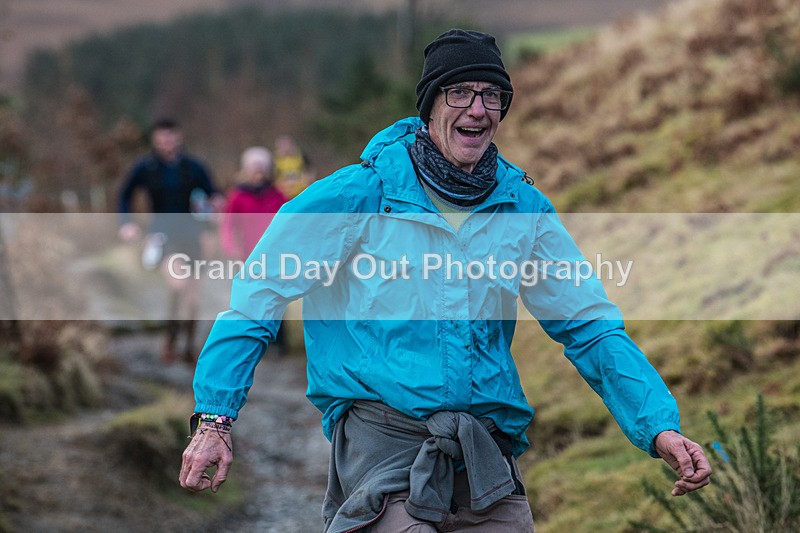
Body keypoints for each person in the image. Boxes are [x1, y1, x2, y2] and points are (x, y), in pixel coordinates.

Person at [179, 29, 711, 532]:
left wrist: (657, 425)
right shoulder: (357, 195)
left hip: (484, 452)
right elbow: (257, 299)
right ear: (431, 105)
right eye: (459, 92)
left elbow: (589, 327)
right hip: (381, 440)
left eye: (492, 95)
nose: (477, 108)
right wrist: (214, 421)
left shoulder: (521, 208)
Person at [118, 118, 222, 364]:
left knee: (193, 296)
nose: (168, 142)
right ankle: (170, 340)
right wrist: (126, 223)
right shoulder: (146, 167)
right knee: (178, 284)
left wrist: (217, 207)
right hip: (162, 235)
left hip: (193, 235)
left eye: (171, 136)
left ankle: (188, 344)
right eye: (162, 137)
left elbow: (214, 193)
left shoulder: (193, 166)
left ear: (179, 137)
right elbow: (124, 194)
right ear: (155, 139)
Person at [219, 146, 286, 261]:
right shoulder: (237, 196)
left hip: (273, 252)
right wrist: (231, 247)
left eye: (262, 170)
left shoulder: (277, 195)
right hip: (246, 253)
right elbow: (228, 224)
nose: (259, 174)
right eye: (255, 169)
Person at [273, 133, 314, 199]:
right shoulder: (275, 159)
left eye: (287, 145)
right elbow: (273, 177)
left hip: (301, 191)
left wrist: (308, 181)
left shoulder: (301, 156)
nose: (286, 148)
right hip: (284, 193)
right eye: (283, 146)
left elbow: (310, 170)